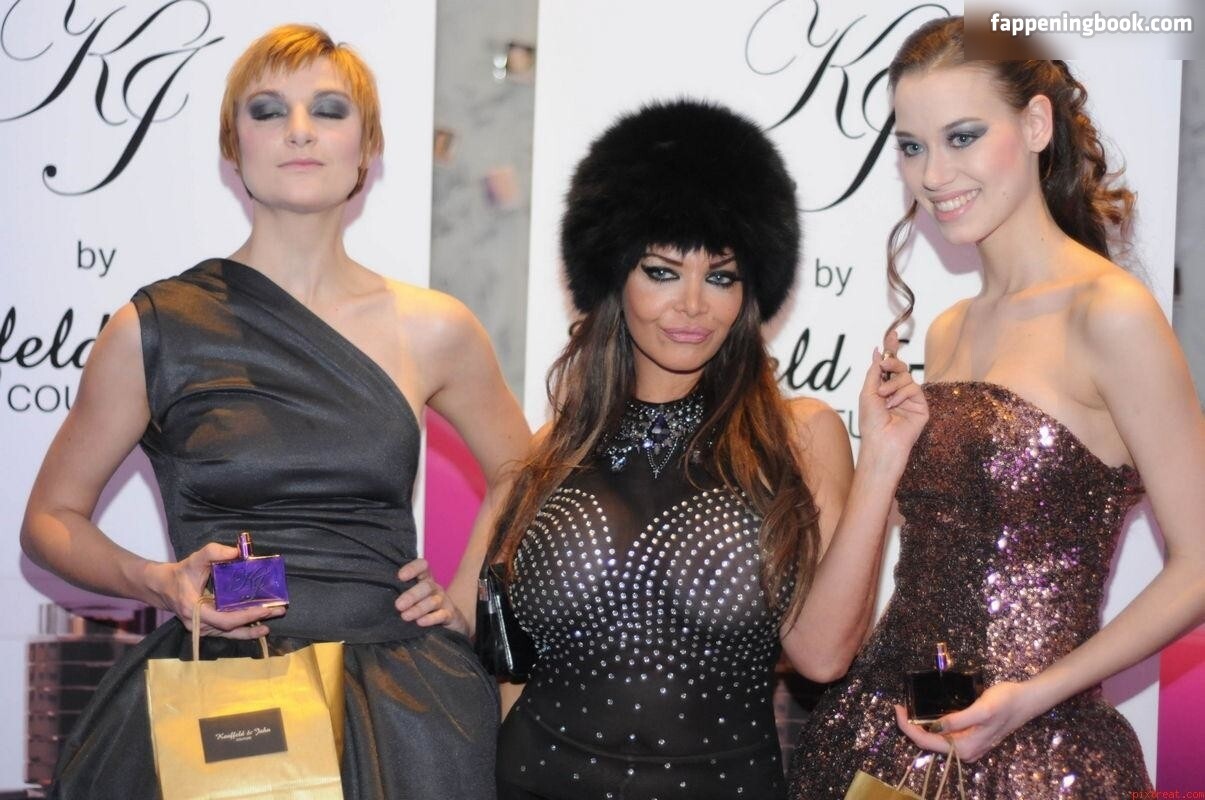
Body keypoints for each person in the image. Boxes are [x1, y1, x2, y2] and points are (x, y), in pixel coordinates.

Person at [20, 24, 529, 800]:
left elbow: (524, 469)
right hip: (222, 692)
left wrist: (463, 599)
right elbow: (49, 520)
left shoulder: (436, 328)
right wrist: (157, 580)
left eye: (328, 109)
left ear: (367, 148)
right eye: (267, 110)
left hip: (403, 704)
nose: (298, 130)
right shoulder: (153, 329)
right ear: (234, 147)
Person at [787, 16, 1205, 799]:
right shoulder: (947, 330)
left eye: (962, 137)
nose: (932, 173)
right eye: (911, 147)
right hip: (878, 738)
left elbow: (1200, 561)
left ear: (1036, 124)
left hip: (1038, 756)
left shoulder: (1109, 314)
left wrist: (1033, 695)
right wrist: (882, 453)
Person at [486, 99, 929, 800]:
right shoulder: (556, 448)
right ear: (613, 277)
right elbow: (495, 653)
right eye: (662, 271)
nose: (693, 304)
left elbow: (822, 656)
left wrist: (880, 461)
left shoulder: (797, 437)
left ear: (749, 292)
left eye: (720, 276)